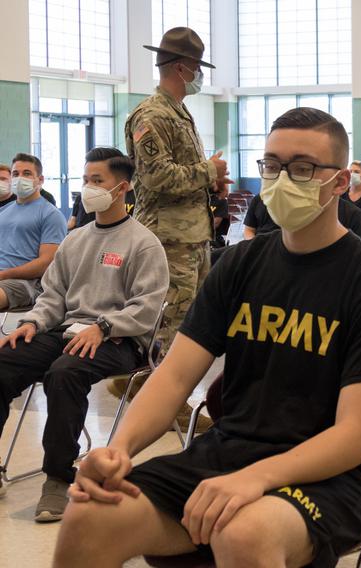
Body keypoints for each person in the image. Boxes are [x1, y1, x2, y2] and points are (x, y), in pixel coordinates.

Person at [52, 107, 361, 568]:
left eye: (303, 168)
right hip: (226, 454)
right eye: (272, 165)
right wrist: (117, 451)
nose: (283, 178)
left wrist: (257, 479)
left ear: (340, 182)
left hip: (330, 477)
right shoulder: (240, 264)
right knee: (89, 516)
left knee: (243, 531)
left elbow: (354, 437)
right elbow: (173, 377)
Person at [0, 147, 168, 521]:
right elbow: (52, 296)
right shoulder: (75, 240)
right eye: (86, 179)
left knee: (65, 372)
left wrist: (104, 327)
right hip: (67, 330)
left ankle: (58, 479)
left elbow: (148, 307)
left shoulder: (143, 242)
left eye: (98, 181)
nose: (87, 188)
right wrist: (31, 324)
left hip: (121, 341)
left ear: (121, 188)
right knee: (4, 361)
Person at [118, 27, 231, 424]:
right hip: (167, 236)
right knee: (172, 320)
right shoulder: (151, 114)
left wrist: (211, 180)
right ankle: (167, 406)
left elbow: (181, 174)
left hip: (192, 234)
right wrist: (208, 169)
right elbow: (156, 178)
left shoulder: (179, 112)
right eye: (197, 67)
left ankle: (142, 383)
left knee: (193, 319)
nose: (199, 75)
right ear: (183, 67)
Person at [0, 154, 68, 311]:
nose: (20, 178)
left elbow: (46, 263)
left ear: (40, 180)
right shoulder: (3, 211)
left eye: (27, 173)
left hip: (26, 283)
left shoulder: (51, 214)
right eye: (16, 174)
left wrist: (3, 275)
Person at [243, 190, 361, 243]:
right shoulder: (259, 200)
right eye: (272, 167)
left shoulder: (353, 215)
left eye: (303, 169)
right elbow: (249, 229)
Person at [68, 187, 136, 230]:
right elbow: (72, 222)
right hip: (84, 231)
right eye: (86, 180)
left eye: (98, 181)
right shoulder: (80, 198)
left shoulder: (108, 197)